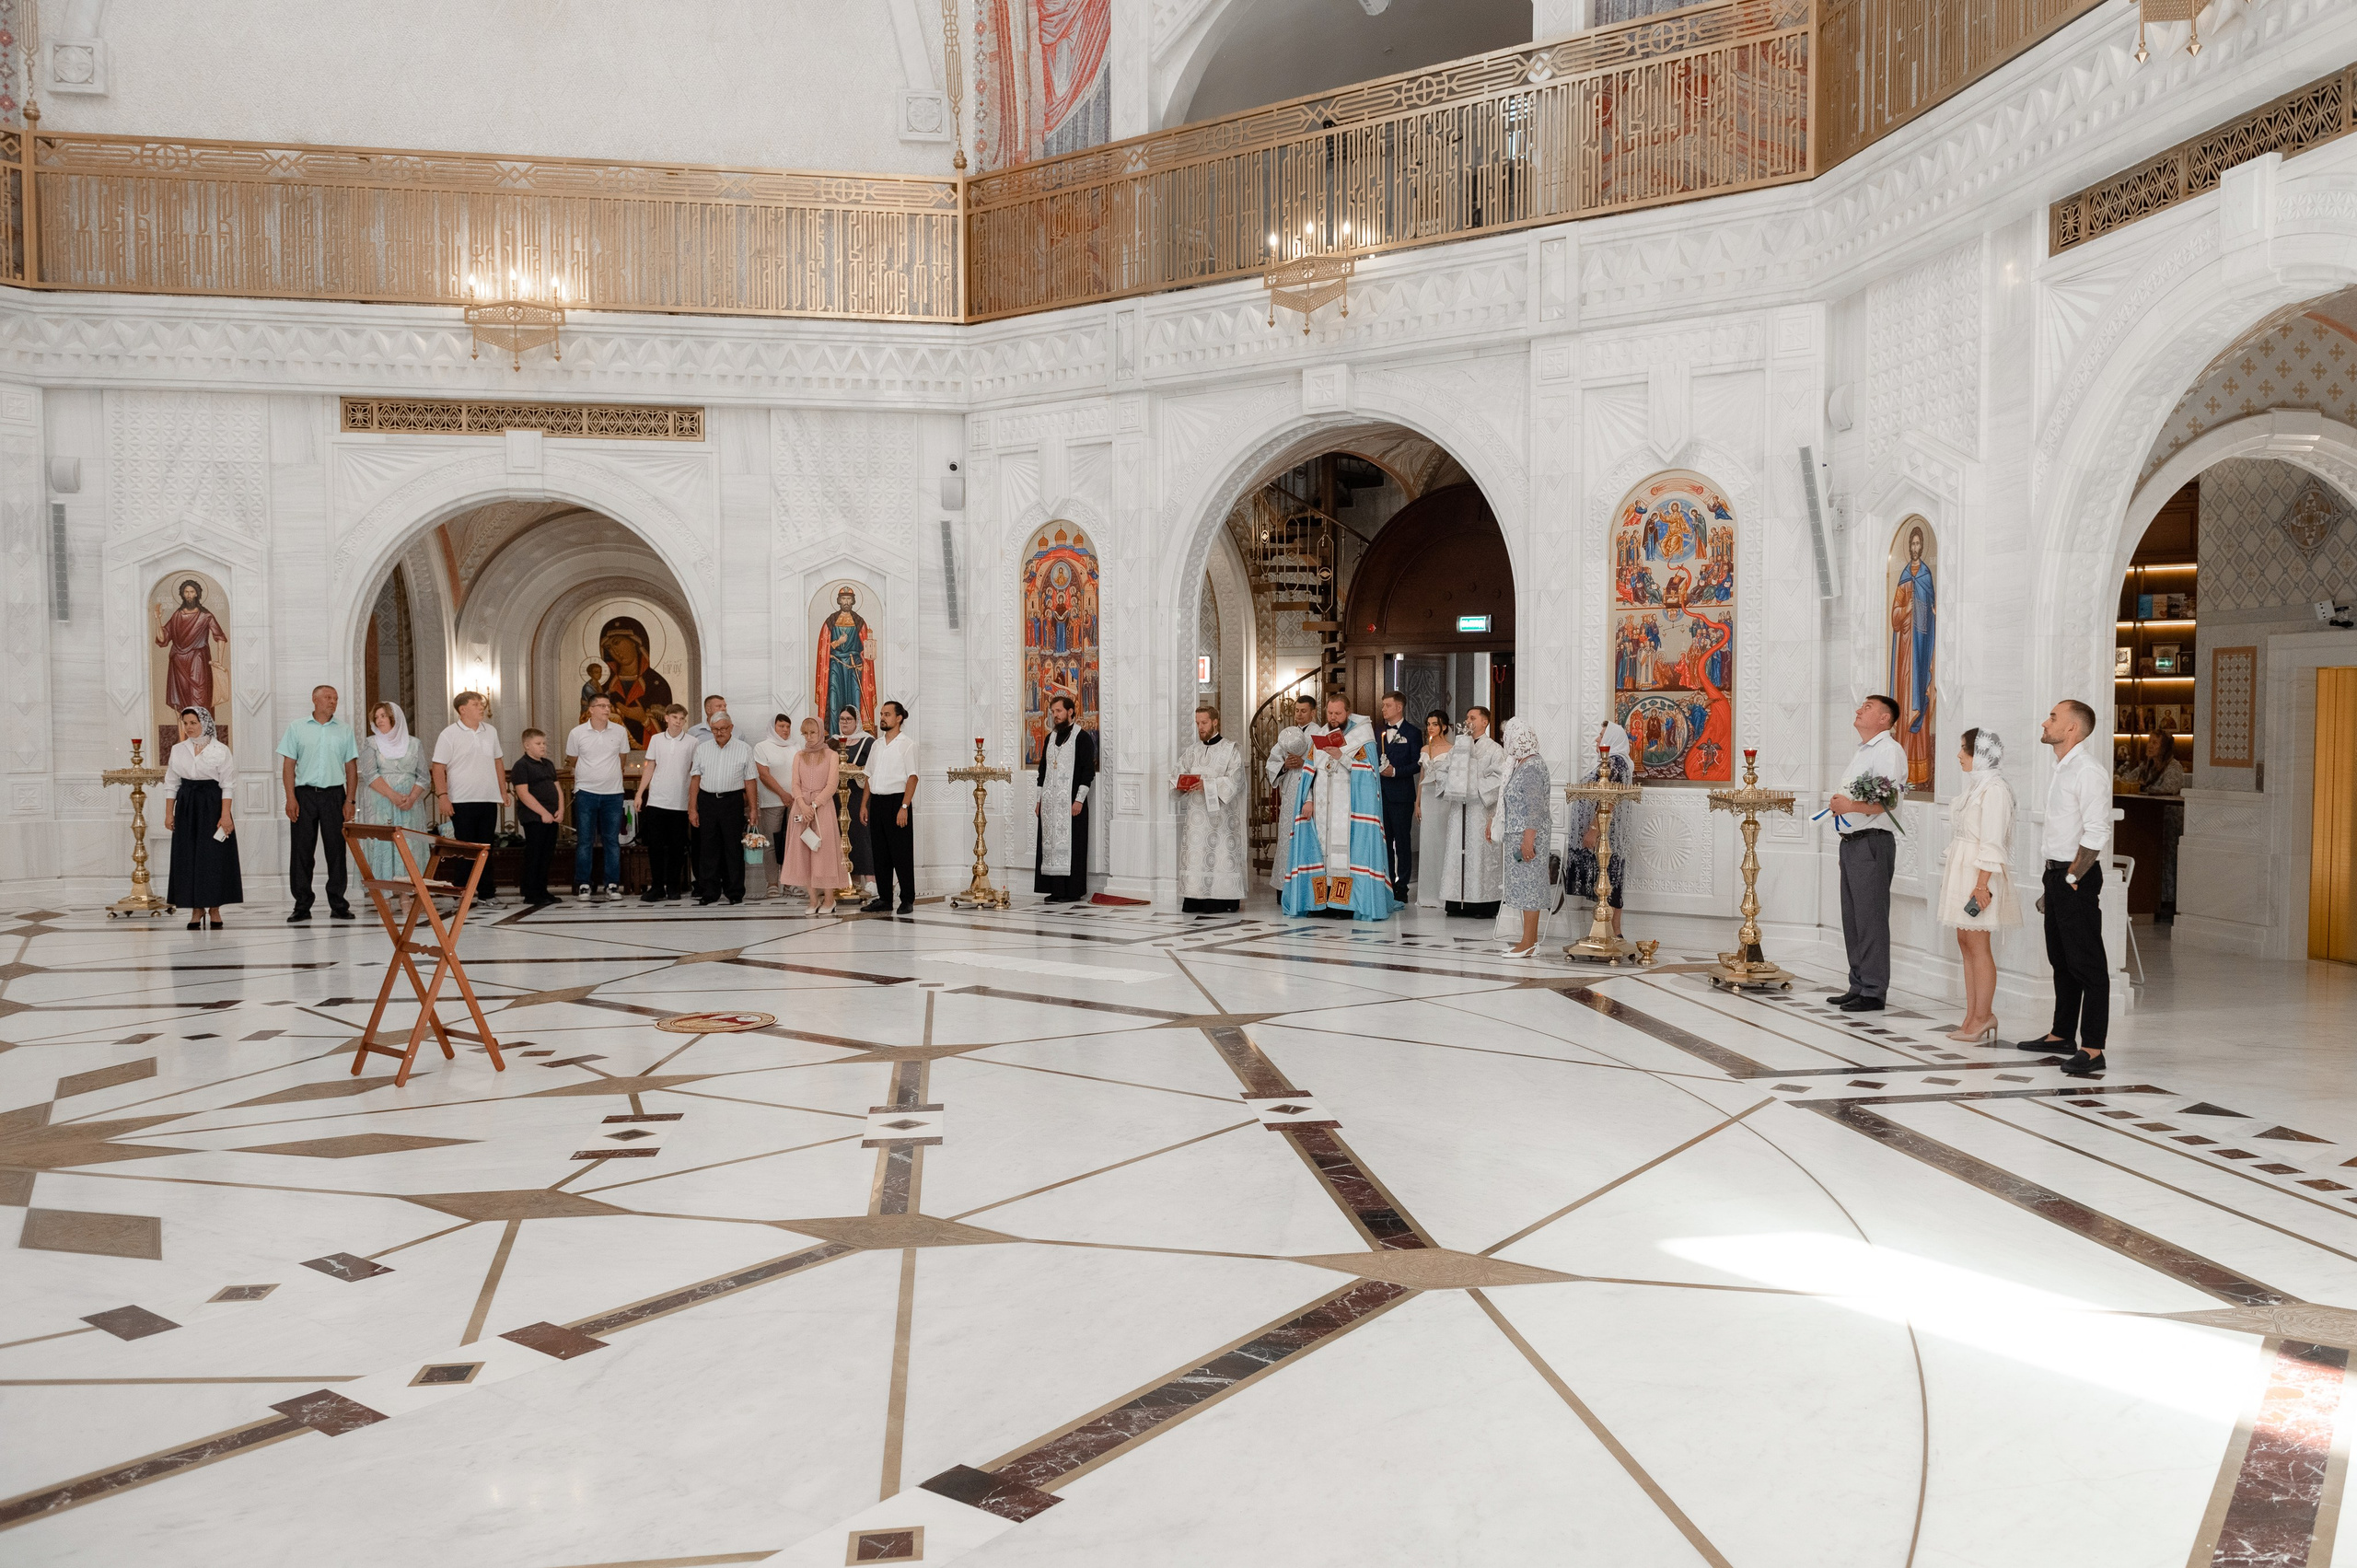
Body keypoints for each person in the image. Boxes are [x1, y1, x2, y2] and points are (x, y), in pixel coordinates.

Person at [2020, 699, 2113, 1077]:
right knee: (2062, 960)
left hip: (2076, 878)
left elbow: (2097, 831)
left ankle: (2093, 1048)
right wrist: (2053, 884)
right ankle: (2061, 1034)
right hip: (2058, 876)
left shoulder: (2088, 771)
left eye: (2053, 717)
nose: (2045, 723)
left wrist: (2072, 878)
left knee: (2088, 964)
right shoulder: (2063, 768)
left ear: (2072, 728)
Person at [1825, 694, 1908, 1013]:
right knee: (1854, 917)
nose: (1859, 710)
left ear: (1885, 718)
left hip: (1872, 842)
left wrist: (1849, 806)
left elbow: (1889, 802)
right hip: (1853, 842)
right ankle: (1858, 983)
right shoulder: (1864, 751)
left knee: (1871, 918)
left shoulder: (1888, 750)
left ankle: (1873, 991)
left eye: (1868, 707)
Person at [1281, 693, 1396, 921]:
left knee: (1344, 857)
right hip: (1321, 811)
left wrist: (1342, 756)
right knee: (1322, 855)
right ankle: (1321, 903)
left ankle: (1344, 905)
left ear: (1348, 713)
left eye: (1338, 714)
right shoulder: (1320, 737)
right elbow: (1309, 773)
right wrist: (1308, 800)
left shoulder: (1361, 737)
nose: (1333, 718)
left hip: (1348, 813)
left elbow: (1370, 774)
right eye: (1330, 713)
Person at [1938, 726, 2020, 1043]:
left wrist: (1982, 885)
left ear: (1981, 754)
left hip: (1980, 873)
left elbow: (1993, 840)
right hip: (1965, 868)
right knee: (1965, 940)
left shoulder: (1995, 789)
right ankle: (1972, 1015)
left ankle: (1984, 1016)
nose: (1959, 755)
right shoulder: (1976, 786)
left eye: (1964, 749)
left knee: (1978, 944)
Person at [276, 684, 359, 923]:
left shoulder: (344, 730)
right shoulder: (297, 727)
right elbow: (288, 766)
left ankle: (338, 904)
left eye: (336, 698)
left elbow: (351, 768)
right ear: (314, 699)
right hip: (304, 795)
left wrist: (350, 800)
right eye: (328, 697)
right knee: (301, 851)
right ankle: (302, 905)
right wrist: (290, 797)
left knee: (336, 850)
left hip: (334, 795)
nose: (333, 701)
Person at [163, 705, 241, 929]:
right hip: (186, 805)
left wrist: (225, 815)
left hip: (212, 805)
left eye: (193, 723)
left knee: (213, 856)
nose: (189, 727)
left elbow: (227, 784)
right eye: (185, 723)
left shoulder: (221, 750)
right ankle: (196, 909)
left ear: (204, 723)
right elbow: (171, 783)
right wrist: (169, 813)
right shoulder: (178, 749)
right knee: (188, 856)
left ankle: (214, 907)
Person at [431, 691, 510, 907]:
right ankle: (461, 892)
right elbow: (438, 767)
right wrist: (443, 796)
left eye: (481, 704)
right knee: (465, 849)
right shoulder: (449, 734)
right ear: (462, 709)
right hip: (461, 800)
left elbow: (498, 762)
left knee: (486, 848)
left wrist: (503, 791)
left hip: (488, 798)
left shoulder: (490, 731)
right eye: (476, 704)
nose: (481, 707)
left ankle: (487, 893)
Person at [1564, 720, 1634, 937]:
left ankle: (1611, 934)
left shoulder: (1614, 763)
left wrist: (1594, 830)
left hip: (1605, 833)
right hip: (1606, 833)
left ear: (1612, 739)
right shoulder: (1616, 762)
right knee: (1609, 879)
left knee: (1609, 879)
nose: (1597, 739)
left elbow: (1608, 800)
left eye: (1602, 736)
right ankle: (1610, 932)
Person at [1174, 703, 1246, 913]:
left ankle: (1220, 900)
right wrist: (1181, 783)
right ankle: (1194, 898)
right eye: (1197, 723)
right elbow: (1178, 773)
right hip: (1196, 818)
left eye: (1204, 723)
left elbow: (1236, 780)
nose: (1200, 728)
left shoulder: (1231, 749)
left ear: (1215, 722)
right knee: (1196, 856)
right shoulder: (1192, 751)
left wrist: (1207, 784)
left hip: (1220, 818)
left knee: (1220, 854)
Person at [1435, 704, 1505, 918]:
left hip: (1480, 810)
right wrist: (1454, 784)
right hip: (1459, 810)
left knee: (1480, 855)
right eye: (1467, 718)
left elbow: (1500, 778)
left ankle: (1483, 904)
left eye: (1473, 718)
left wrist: (1473, 786)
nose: (1468, 721)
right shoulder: (1458, 747)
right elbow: (1442, 769)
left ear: (1485, 722)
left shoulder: (1495, 749)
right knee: (1457, 853)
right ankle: (1456, 902)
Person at [356, 702, 432, 883]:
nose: (379, 720)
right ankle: (383, 891)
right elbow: (369, 774)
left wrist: (411, 798)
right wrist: (393, 796)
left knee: (408, 843)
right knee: (383, 843)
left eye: (383, 716)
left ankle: (407, 892)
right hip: (381, 803)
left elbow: (423, 777)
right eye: (376, 717)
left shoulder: (414, 743)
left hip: (409, 806)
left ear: (394, 718)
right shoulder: (371, 743)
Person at [687, 711, 758, 905]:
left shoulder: (744, 749)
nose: (719, 733)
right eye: (715, 729)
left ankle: (734, 892)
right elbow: (695, 779)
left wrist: (753, 809)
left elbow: (750, 780)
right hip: (707, 802)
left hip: (732, 801)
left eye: (723, 729)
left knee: (733, 848)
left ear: (731, 728)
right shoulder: (702, 749)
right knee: (708, 848)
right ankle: (709, 892)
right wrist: (692, 808)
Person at [565, 693, 631, 899]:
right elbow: (573, 759)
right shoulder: (577, 733)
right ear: (591, 710)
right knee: (585, 840)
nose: (607, 709)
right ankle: (584, 883)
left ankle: (612, 884)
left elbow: (622, 759)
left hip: (613, 793)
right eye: (601, 706)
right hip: (586, 792)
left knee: (612, 840)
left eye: (608, 706)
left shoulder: (620, 731)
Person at [1033, 693, 1096, 904]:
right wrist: (1039, 801)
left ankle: (1072, 891)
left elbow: (1088, 772)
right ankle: (1055, 889)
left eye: (1058, 711)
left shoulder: (1081, 737)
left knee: (1073, 845)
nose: (1055, 715)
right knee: (1049, 845)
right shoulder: (1050, 738)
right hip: (1050, 805)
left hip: (1071, 803)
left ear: (1070, 711)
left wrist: (1079, 800)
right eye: (1053, 712)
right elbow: (1043, 771)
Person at [1495, 717, 1550, 957]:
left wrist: (1528, 841)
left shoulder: (1531, 767)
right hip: (1518, 837)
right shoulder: (1522, 764)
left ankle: (1527, 944)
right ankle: (1530, 942)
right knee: (1525, 885)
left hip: (1527, 838)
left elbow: (1535, 808)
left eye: (1506, 736)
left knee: (1530, 887)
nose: (1504, 740)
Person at [779, 715, 843, 914]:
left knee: (824, 853)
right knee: (803, 853)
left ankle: (829, 900)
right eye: (805, 733)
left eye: (813, 732)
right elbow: (795, 784)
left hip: (823, 808)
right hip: (801, 808)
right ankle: (813, 900)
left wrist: (814, 805)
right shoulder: (799, 756)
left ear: (821, 732)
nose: (809, 737)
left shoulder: (831, 755)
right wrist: (802, 805)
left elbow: (832, 785)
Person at [865, 699, 921, 913]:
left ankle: (907, 899)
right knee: (880, 853)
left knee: (901, 853)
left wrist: (904, 806)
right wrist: (864, 805)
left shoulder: (907, 745)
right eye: (881, 714)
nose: (882, 718)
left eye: (887, 714)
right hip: (877, 802)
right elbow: (869, 776)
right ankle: (884, 898)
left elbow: (912, 777)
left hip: (897, 802)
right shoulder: (876, 745)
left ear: (898, 718)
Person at [635, 703, 695, 902]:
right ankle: (657, 887)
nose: (678, 722)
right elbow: (650, 767)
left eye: (682, 719)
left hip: (680, 801)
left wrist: (692, 802)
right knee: (656, 846)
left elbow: (695, 772)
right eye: (675, 717)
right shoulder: (656, 739)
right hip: (657, 800)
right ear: (667, 718)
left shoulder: (692, 742)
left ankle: (673, 886)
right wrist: (640, 793)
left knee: (677, 847)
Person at [1263, 694, 1318, 896]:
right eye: (1296, 711)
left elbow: (1326, 764)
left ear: (1313, 712)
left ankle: (1307, 890)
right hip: (1289, 795)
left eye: (1304, 711)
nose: (1299, 715)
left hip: (1311, 793)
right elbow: (1272, 761)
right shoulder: (1287, 735)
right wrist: (1285, 765)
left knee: (1308, 839)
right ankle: (1285, 889)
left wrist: (1305, 764)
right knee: (1287, 838)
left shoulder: (1319, 734)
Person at [1374, 691, 1421, 901]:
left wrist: (1395, 772)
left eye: (1387, 705)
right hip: (1381, 794)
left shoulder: (1412, 732)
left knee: (1402, 842)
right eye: (1383, 705)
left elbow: (1417, 763)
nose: (1383, 709)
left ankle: (1402, 886)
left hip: (1402, 795)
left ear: (1399, 707)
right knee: (1384, 841)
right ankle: (1387, 883)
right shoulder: (1378, 732)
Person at [511, 727, 563, 908]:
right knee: (535, 854)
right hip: (534, 817)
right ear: (527, 745)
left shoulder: (548, 764)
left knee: (547, 854)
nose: (543, 747)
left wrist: (560, 810)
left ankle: (542, 889)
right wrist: (543, 812)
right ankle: (531, 892)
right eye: (538, 743)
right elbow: (523, 794)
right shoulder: (521, 765)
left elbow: (557, 789)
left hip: (551, 816)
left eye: (544, 743)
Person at [752, 713, 799, 898]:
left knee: (792, 842)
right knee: (771, 843)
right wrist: (782, 794)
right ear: (773, 727)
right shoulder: (762, 747)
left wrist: (795, 796)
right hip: (772, 802)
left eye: (788, 726)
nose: (785, 730)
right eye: (781, 726)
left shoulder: (795, 746)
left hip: (795, 802)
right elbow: (764, 775)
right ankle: (772, 883)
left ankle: (789, 883)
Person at [834, 705, 877, 899]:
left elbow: (873, 769)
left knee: (862, 835)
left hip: (859, 796)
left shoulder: (868, 742)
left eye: (848, 719)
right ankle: (850, 879)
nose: (844, 722)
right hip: (837, 797)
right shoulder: (833, 742)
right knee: (843, 836)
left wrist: (856, 768)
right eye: (842, 719)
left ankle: (871, 880)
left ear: (856, 721)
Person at [1414, 710, 1454, 908]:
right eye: (1429, 724)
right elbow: (1422, 777)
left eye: (1435, 724)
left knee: (1442, 843)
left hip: (1443, 799)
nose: (1430, 727)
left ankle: (1444, 894)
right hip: (1428, 797)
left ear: (1444, 727)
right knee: (1428, 844)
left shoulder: (1452, 749)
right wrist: (1417, 803)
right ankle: (1427, 894)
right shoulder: (1425, 749)